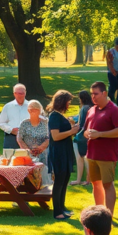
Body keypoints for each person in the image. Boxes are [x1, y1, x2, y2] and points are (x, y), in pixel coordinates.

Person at [83, 81, 118, 214]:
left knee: (107, 184)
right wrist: (87, 133)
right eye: (91, 94)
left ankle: (109, 214)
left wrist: (100, 134)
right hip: (92, 153)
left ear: (104, 93)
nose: (93, 97)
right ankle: (99, 212)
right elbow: (84, 130)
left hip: (107, 155)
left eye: (96, 94)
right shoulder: (91, 110)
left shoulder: (113, 110)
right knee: (95, 183)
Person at [47, 90, 79, 220]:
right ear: (62, 102)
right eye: (68, 102)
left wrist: (71, 126)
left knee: (65, 179)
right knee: (59, 181)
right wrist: (72, 131)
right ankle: (57, 211)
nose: (69, 105)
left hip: (65, 150)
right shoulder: (54, 116)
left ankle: (62, 207)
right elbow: (55, 136)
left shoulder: (59, 115)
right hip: (58, 152)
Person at [18, 100, 51, 185]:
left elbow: (49, 138)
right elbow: (19, 138)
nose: (32, 111)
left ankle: (44, 189)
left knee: (43, 175)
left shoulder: (45, 123)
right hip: (28, 154)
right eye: (30, 109)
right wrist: (27, 150)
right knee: (29, 176)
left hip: (43, 153)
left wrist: (40, 148)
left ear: (40, 110)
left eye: (35, 109)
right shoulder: (24, 123)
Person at [71, 90, 93, 186]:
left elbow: (81, 124)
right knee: (87, 160)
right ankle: (88, 180)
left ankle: (80, 180)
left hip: (80, 137)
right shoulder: (91, 107)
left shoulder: (84, 108)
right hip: (89, 136)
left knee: (80, 159)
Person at [0, 84, 29, 149]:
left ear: (25, 93)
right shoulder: (8, 107)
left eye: (22, 93)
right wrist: (11, 130)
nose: (20, 96)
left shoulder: (31, 106)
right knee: (10, 157)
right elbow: (1, 123)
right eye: (18, 93)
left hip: (28, 138)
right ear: (14, 94)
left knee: (28, 158)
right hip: (11, 137)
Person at [105, 37, 118, 107]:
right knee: (113, 87)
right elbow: (109, 63)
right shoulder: (111, 52)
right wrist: (113, 72)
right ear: (116, 45)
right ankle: (110, 102)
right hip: (112, 72)